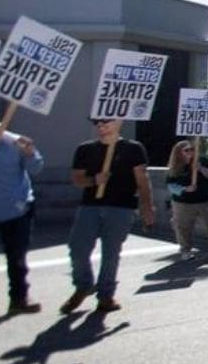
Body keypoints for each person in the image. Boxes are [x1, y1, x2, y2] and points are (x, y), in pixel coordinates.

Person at [63, 118, 154, 315]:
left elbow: (142, 180)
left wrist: (147, 209)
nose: (101, 126)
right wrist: (94, 179)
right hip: (89, 206)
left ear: (119, 122)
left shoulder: (133, 148)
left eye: (106, 122)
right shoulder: (85, 149)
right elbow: (77, 179)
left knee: (111, 253)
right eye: (97, 123)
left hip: (121, 208)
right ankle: (83, 284)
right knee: (77, 248)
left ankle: (106, 296)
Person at [0, 117, 42, 314]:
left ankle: (19, 298)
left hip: (17, 210)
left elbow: (36, 168)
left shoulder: (15, 142)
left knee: (17, 258)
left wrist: (30, 154)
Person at [164, 140, 208, 259]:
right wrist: (185, 189)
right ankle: (185, 250)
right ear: (179, 153)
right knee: (183, 227)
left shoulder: (203, 161)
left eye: (192, 149)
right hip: (183, 203)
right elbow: (171, 185)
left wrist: (201, 168)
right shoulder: (175, 166)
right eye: (187, 150)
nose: (190, 152)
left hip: (205, 200)